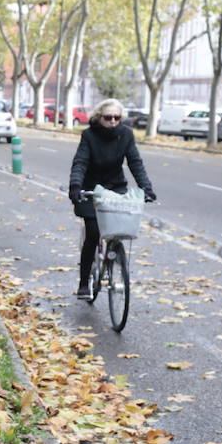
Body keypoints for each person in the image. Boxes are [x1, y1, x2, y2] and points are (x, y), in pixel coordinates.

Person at [67, 98, 156, 301]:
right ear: (99, 118)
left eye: (117, 117)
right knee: (93, 232)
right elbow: (80, 162)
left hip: (115, 188)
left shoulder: (126, 135)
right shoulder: (88, 135)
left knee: (119, 229)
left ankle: (114, 256)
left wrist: (146, 188)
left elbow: (135, 162)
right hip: (91, 189)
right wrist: (75, 186)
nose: (113, 121)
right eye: (108, 118)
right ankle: (83, 283)